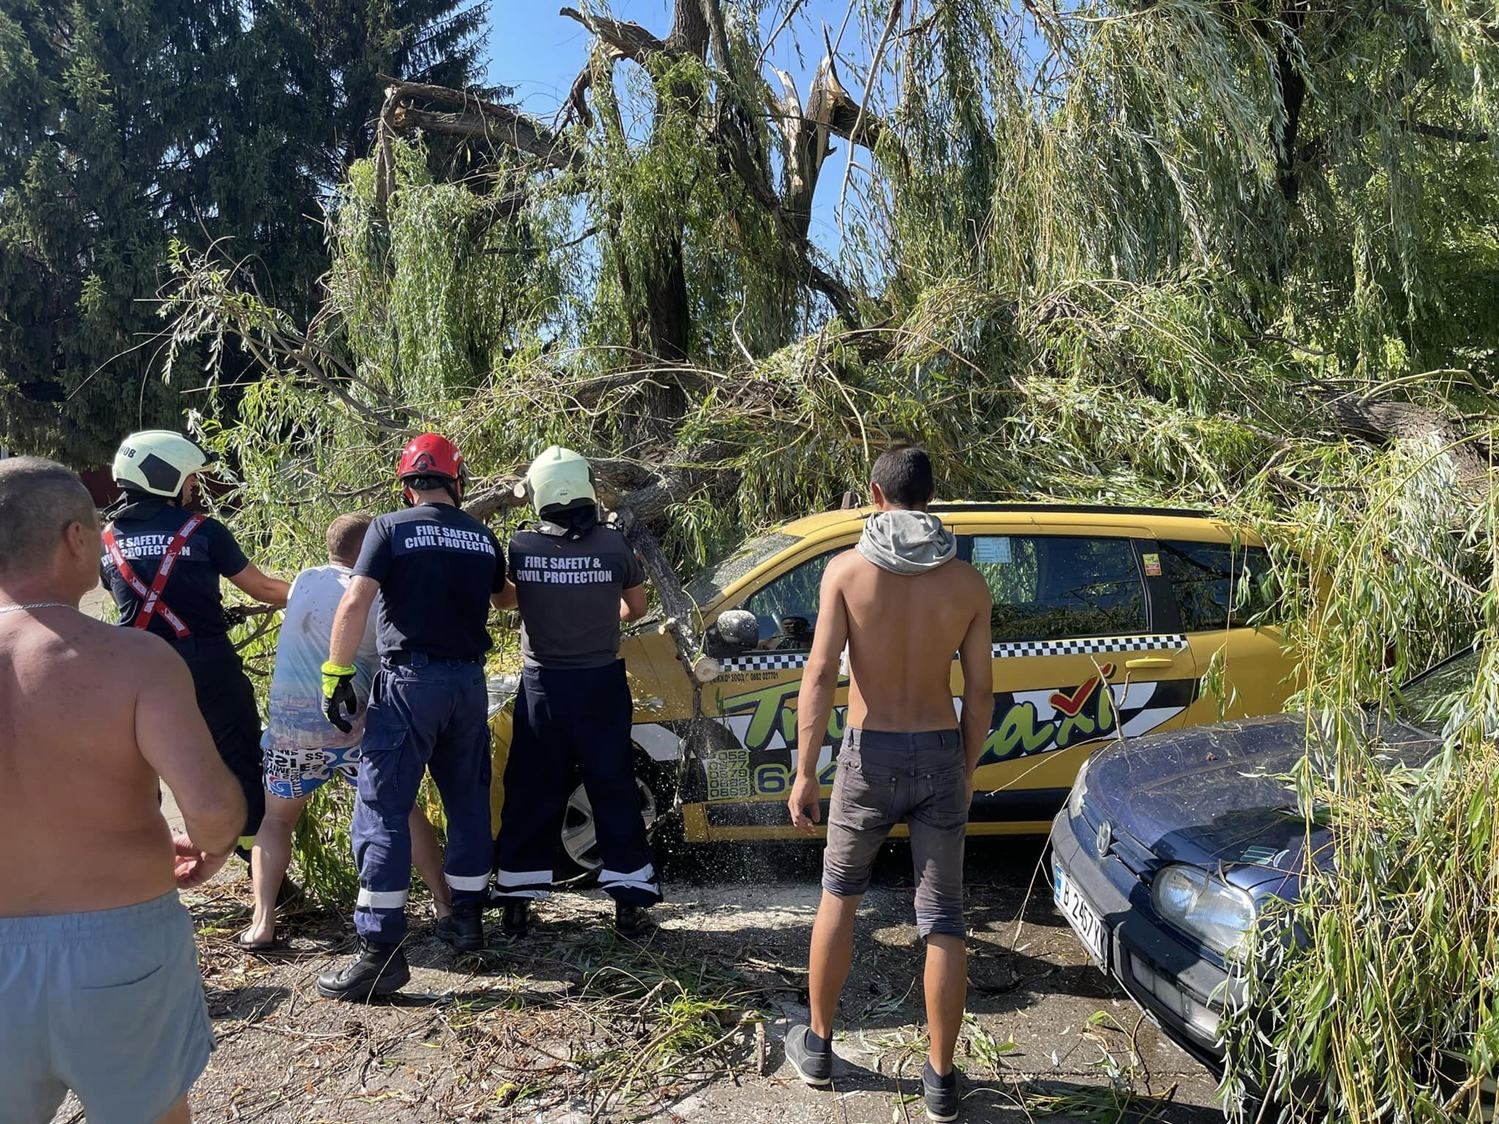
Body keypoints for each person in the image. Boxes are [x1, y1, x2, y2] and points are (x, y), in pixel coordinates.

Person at [0, 457, 246, 1124]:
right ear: (75, 540)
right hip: (118, 945)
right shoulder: (132, 659)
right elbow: (213, 809)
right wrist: (211, 848)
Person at [783, 445, 993, 1123]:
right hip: (937, 752)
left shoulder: (845, 572)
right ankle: (938, 1082)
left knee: (839, 895)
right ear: (930, 497)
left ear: (874, 496)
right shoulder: (966, 584)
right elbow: (981, 694)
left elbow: (817, 676)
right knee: (942, 917)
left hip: (866, 756)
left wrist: (803, 770)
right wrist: (965, 769)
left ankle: (817, 1048)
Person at [316, 433, 508, 1001]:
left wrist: (336, 674)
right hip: (469, 684)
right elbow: (505, 599)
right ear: (458, 479)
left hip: (410, 684)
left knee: (382, 807)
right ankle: (467, 920)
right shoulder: (481, 535)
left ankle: (380, 953)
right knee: (468, 801)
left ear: (407, 483)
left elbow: (356, 600)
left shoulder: (389, 528)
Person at [237, 513, 454, 950]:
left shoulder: (303, 579)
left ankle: (262, 922)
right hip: (354, 730)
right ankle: (445, 904)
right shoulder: (377, 595)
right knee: (401, 809)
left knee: (277, 820)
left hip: (292, 731)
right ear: (370, 549)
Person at [491, 445, 659, 939]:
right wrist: (600, 617)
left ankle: (517, 905)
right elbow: (638, 607)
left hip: (542, 688)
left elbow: (505, 602)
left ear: (540, 493)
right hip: (601, 686)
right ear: (584, 486)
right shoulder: (613, 546)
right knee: (614, 789)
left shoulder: (520, 546)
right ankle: (630, 907)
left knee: (531, 790)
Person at [100, 430, 290, 851]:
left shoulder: (106, 540)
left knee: (139, 768)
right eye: (190, 477)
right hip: (206, 665)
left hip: (136, 671)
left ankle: (143, 861)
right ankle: (261, 869)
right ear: (164, 476)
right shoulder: (203, 530)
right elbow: (263, 589)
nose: (194, 486)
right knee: (240, 759)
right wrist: (319, 592)